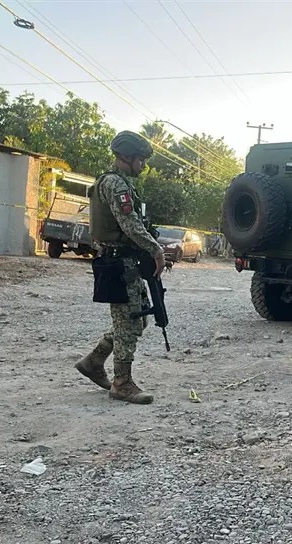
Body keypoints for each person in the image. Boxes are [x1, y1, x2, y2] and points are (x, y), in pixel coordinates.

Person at [74, 130, 166, 404]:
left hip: (124, 261)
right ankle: (122, 384)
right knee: (129, 322)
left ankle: (94, 362)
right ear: (127, 156)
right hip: (119, 264)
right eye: (141, 159)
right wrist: (156, 250)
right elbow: (130, 225)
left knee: (136, 320)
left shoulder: (115, 182)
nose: (143, 165)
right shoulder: (116, 185)